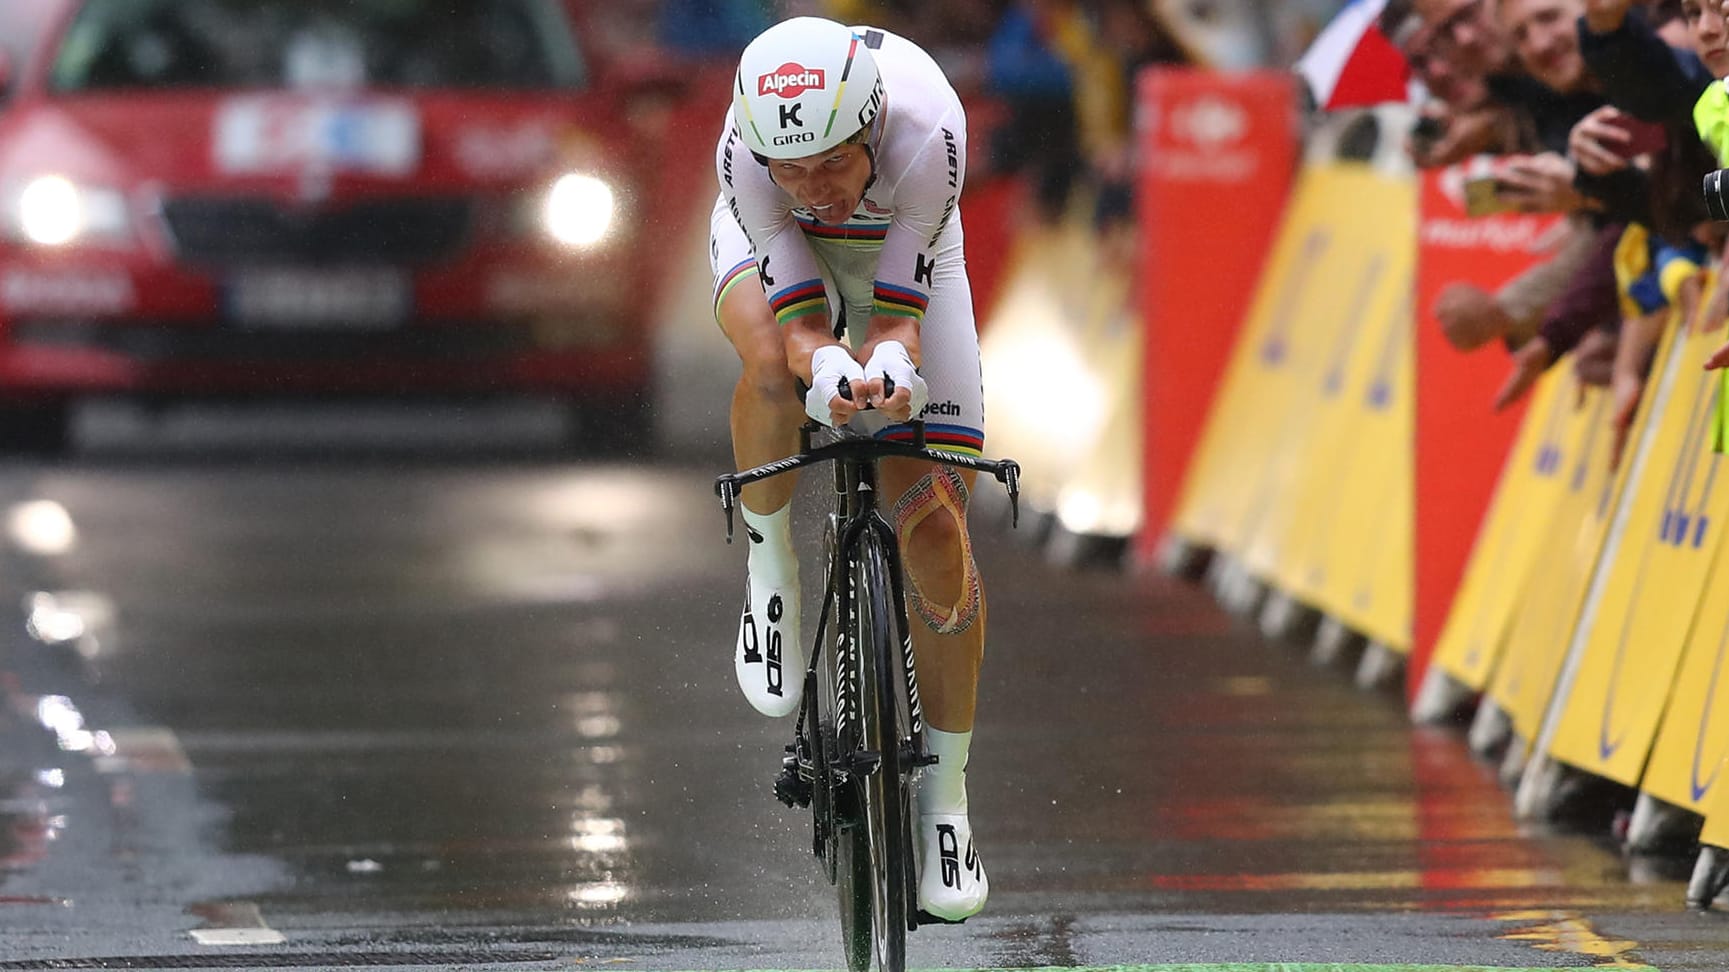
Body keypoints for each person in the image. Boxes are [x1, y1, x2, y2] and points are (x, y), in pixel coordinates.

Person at [712, 16, 990, 923]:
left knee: (938, 530)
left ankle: (944, 800)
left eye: (829, 162)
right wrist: (822, 362)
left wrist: (890, 364)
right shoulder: (750, 161)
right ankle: (770, 570)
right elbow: (799, 327)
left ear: (869, 125)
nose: (811, 188)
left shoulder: (928, 134)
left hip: (904, 245)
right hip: (780, 256)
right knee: (767, 364)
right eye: (789, 169)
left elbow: (900, 321)